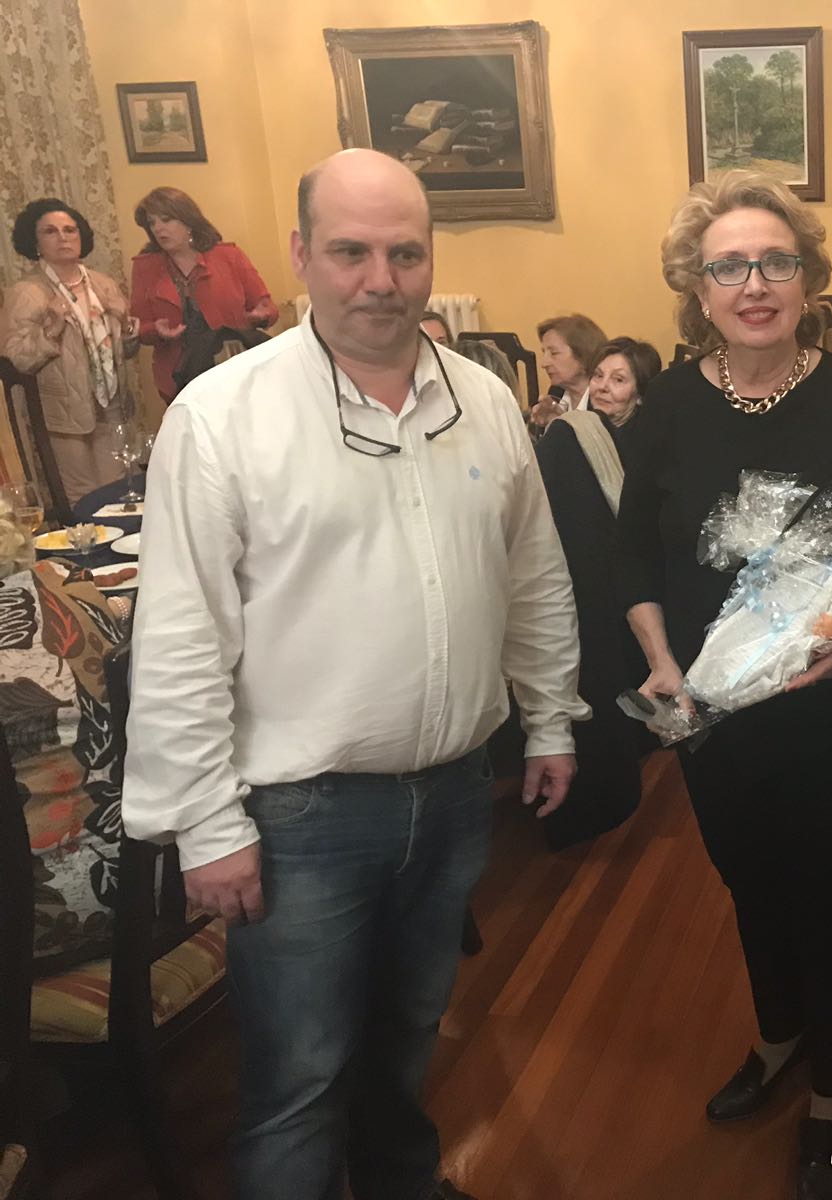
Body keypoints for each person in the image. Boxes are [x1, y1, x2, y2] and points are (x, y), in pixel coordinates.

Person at [121, 148, 586, 1200]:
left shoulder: (486, 400)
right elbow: (183, 635)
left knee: (408, 1036)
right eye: (351, 252)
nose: (381, 280)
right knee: (299, 1078)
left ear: (431, 258)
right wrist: (207, 823)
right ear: (299, 255)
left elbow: (532, 576)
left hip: (455, 792)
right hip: (300, 816)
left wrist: (551, 717)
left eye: (404, 254)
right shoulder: (223, 414)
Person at [616, 171, 832, 1200]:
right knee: (749, 883)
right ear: (697, 288)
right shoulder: (668, 404)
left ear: (807, 278)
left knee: (828, 897)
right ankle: (781, 1036)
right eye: (729, 266)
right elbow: (632, 552)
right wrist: (659, 660)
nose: (754, 284)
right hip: (711, 710)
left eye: (775, 262)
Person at [533, 335, 661, 848]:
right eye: (600, 376)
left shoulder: (643, 441)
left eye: (619, 379)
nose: (604, 387)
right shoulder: (577, 435)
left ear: (640, 392)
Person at [2, 198, 138, 504]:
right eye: (50, 231)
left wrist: (126, 325)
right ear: (35, 242)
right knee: (84, 502)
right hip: (65, 418)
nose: (63, 237)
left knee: (122, 495)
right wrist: (52, 328)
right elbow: (15, 360)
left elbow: (125, 352)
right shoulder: (26, 293)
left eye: (69, 230)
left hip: (112, 407)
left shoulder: (103, 285)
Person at [129, 186, 278, 402]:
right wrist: (156, 330)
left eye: (166, 219)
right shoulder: (145, 267)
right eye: (152, 223)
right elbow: (139, 327)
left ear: (188, 221)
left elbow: (268, 308)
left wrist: (261, 315)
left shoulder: (229, 256)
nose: (158, 228)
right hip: (181, 377)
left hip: (235, 368)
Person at [529, 313, 605, 432]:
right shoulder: (556, 394)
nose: (544, 364)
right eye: (544, 353)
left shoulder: (604, 400)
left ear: (583, 355)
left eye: (554, 353)